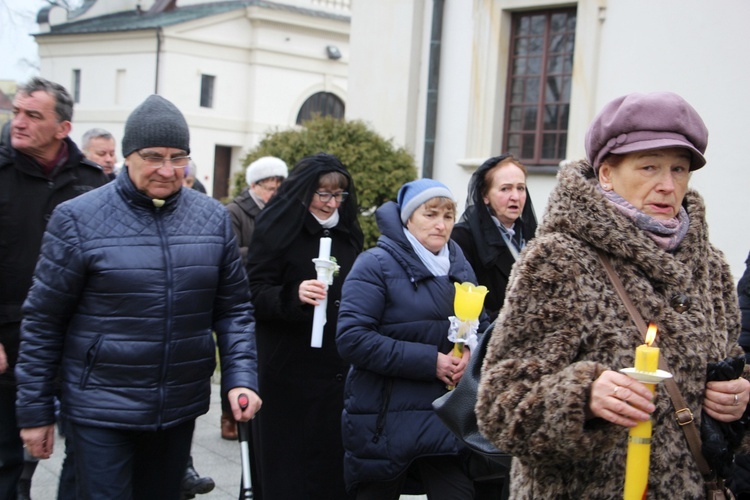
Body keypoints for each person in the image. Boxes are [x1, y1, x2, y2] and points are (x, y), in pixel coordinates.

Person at [475, 91, 750, 498]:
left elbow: (730, 369)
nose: (667, 185)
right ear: (606, 173)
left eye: (679, 169)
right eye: (649, 167)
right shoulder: (557, 260)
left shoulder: (709, 267)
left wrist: (739, 397)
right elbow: (499, 405)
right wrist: (582, 396)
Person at [14, 94, 262, 500]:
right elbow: (43, 321)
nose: (167, 169)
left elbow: (234, 310)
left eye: (178, 157)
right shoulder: (77, 218)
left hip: (178, 406)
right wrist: (35, 413)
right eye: (154, 156)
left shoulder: (212, 218)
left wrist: (241, 379)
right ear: (128, 156)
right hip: (101, 407)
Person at [336, 178, 490, 499]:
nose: (440, 225)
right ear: (408, 218)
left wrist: (471, 355)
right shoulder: (375, 265)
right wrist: (430, 361)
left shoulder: (460, 267)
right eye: (430, 214)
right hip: (383, 420)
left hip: (444, 421)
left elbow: (482, 326)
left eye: (448, 216)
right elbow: (352, 338)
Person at [0, 77, 109, 499]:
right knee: (8, 457)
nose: (19, 123)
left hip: (80, 344)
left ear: (63, 128)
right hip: (11, 339)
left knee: (85, 456)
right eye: (16, 113)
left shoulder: (93, 181)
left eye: (33, 115)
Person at [246, 153, 362, 500]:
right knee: (287, 464)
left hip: (334, 366)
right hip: (287, 365)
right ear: (304, 192)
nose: (330, 203)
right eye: (322, 194)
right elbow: (252, 292)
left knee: (329, 462)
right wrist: (293, 294)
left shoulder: (347, 231)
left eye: (338, 195)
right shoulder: (277, 226)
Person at [451, 155, 537, 322]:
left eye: (520, 188)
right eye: (505, 189)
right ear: (485, 196)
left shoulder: (534, 235)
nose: (515, 197)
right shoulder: (463, 238)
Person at [226, 156, 288, 270]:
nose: (276, 194)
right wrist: (267, 252)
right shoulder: (234, 211)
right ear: (253, 185)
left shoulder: (283, 211)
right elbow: (230, 252)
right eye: (270, 189)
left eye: (279, 190)